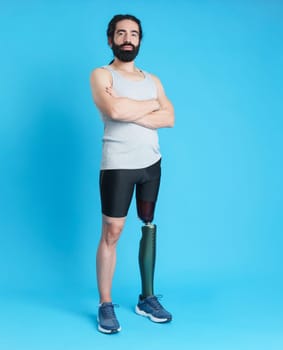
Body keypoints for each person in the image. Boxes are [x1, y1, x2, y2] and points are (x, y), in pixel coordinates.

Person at [90, 14, 175, 334]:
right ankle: (105, 304)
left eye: (134, 34)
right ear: (110, 39)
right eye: (121, 33)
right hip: (118, 165)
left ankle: (146, 298)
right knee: (112, 232)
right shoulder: (102, 75)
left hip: (151, 164)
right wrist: (150, 108)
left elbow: (170, 117)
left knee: (149, 226)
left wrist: (131, 107)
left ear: (139, 40)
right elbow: (113, 111)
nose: (128, 38)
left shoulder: (153, 80)